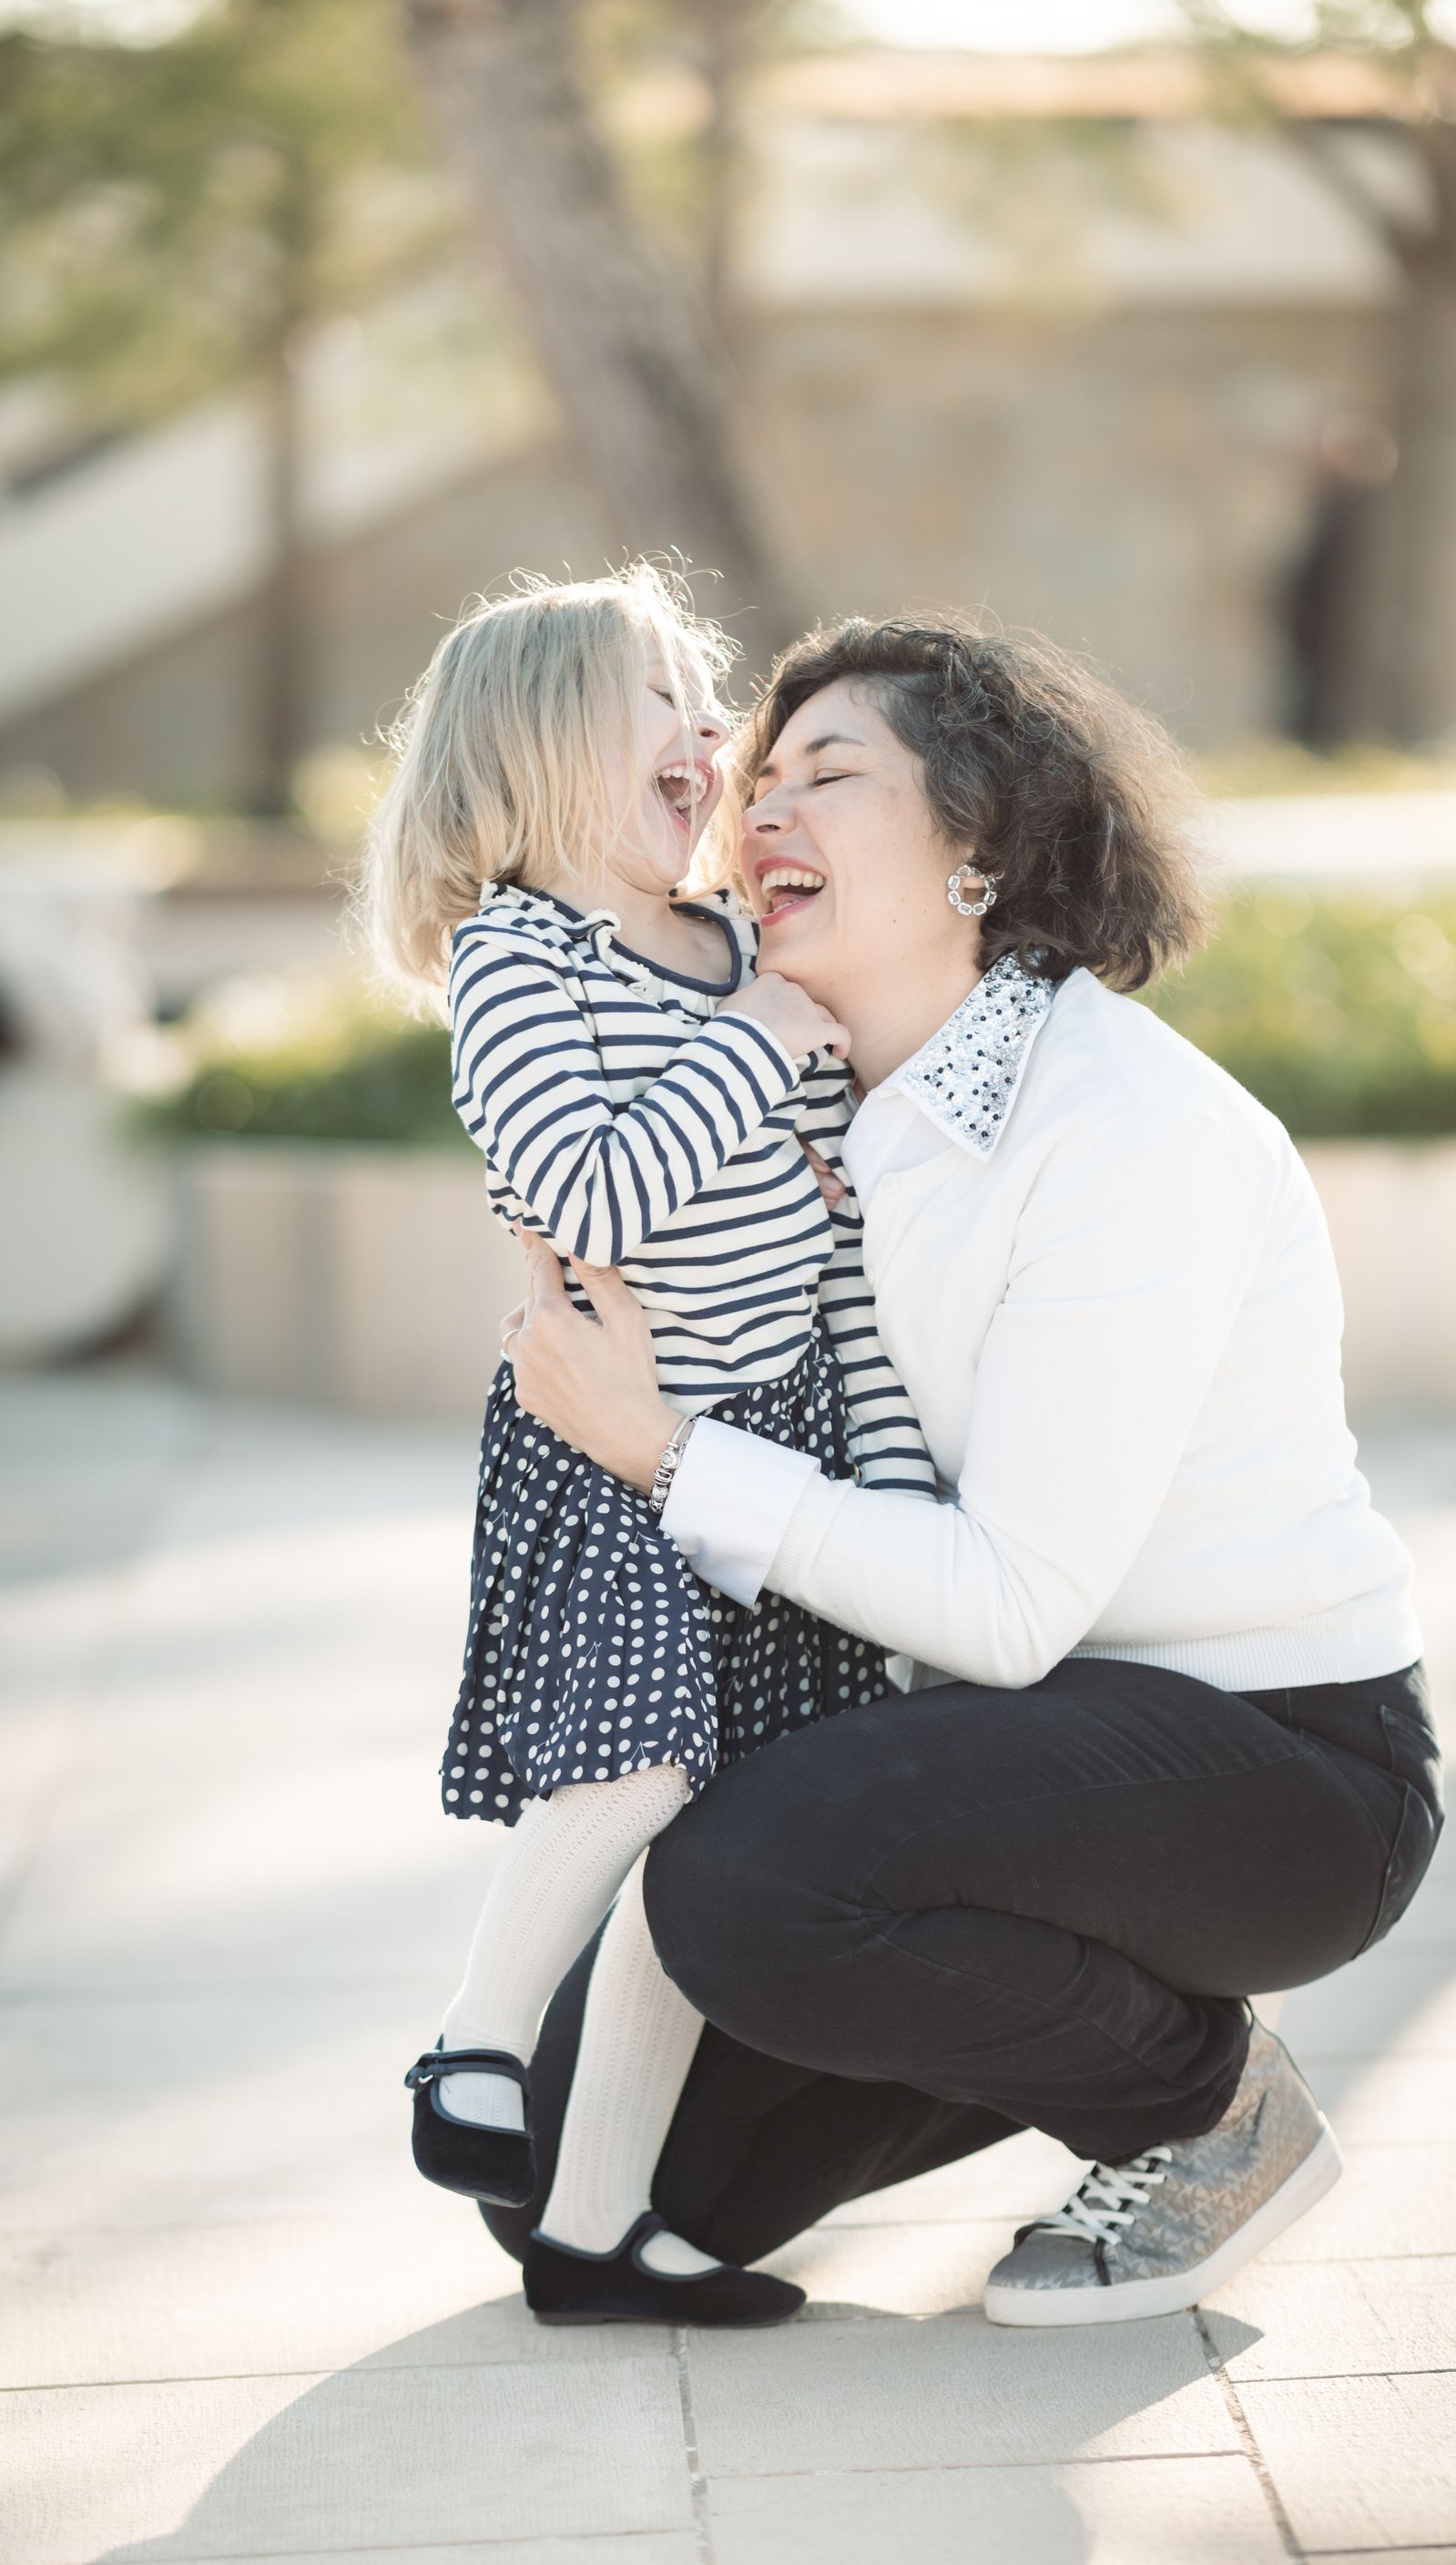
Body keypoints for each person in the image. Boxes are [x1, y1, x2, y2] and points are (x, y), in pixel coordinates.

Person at [494, 613, 1443, 2328]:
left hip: (1275, 1764)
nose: (757, 807)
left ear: (980, 851)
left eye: (830, 775)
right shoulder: (800, 1113)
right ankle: (1062, 1993)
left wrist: (658, 1445)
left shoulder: (1115, 1129)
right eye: (755, 776)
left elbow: (1007, 1608)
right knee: (594, 2168)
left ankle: (1203, 2100)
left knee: (747, 1884)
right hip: (998, 1770)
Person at [361, 572, 935, 2328]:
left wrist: (897, 1488)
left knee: (709, 1855)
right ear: (532, 748)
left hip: (774, 1437)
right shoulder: (516, 962)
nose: (710, 732)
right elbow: (591, 1184)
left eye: (709, 695)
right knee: (634, 1769)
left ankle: (596, 2223)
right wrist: (757, 1044)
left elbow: (840, 1251)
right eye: (658, 698)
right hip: (606, 1446)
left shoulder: (749, 949)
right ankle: (471, 2052)